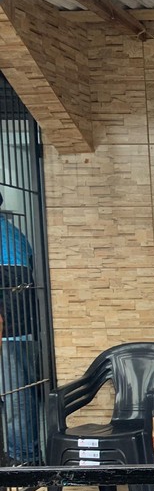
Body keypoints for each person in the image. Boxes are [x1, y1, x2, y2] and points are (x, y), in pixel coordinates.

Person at [0, 192, 43, 466]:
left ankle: (22, 458)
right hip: (24, 330)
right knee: (20, 396)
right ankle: (23, 455)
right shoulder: (13, 232)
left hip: (9, 334)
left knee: (16, 399)